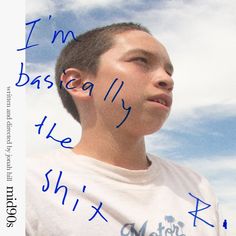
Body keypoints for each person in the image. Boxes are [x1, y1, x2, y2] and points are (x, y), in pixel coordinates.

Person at [26, 22, 226, 236]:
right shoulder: (27, 184)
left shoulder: (196, 187)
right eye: (141, 61)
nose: (166, 79)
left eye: (168, 71)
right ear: (79, 83)